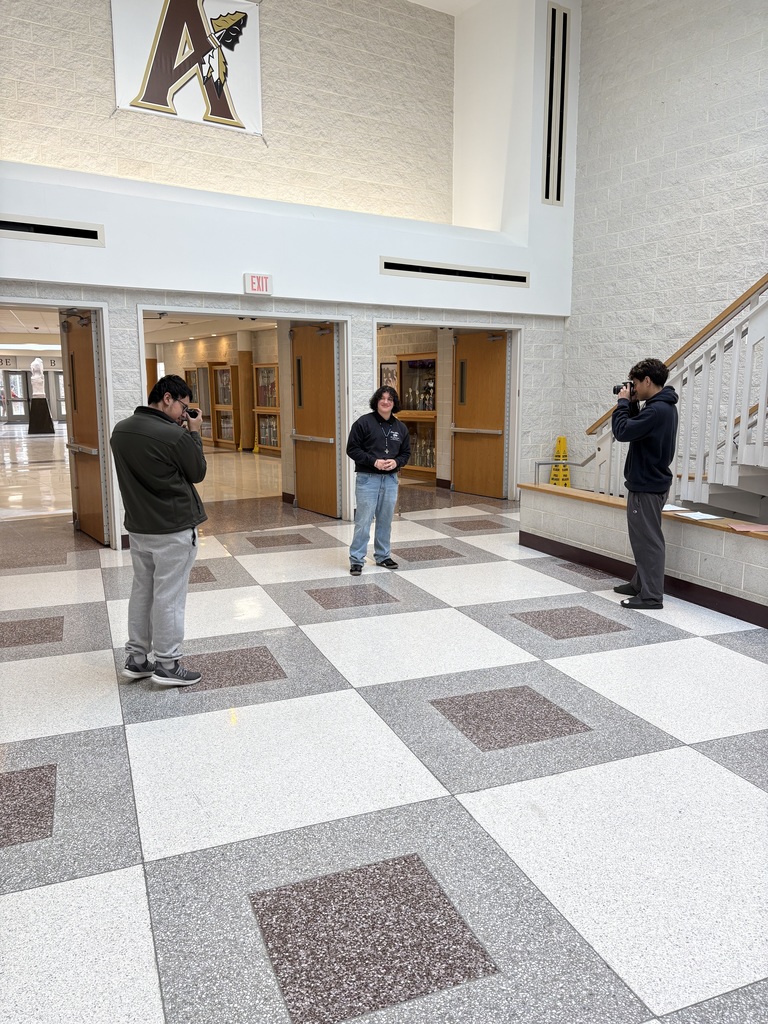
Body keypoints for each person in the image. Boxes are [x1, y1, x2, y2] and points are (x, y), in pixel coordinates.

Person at [110, 374, 207, 685]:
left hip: (139, 528)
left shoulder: (121, 430)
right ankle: (167, 663)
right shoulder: (175, 436)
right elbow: (197, 471)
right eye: (183, 407)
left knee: (143, 590)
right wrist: (194, 433)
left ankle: (137, 658)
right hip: (174, 528)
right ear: (167, 398)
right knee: (170, 595)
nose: (185, 414)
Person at [611, 357, 678, 609]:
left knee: (648, 541)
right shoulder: (663, 406)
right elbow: (637, 429)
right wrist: (632, 404)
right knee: (643, 537)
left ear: (648, 380)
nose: (633, 389)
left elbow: (623, 432)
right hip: (653, 481)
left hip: (646, 485)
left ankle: (651, 596)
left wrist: (621, 404)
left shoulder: (656, 410)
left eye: (636, 384)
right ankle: (640, 584)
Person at [346, 385, 411, 575]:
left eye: (390, 399)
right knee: (363, 520)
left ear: (394, 404)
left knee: (385, 519)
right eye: (382, 398)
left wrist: (396, 462)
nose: (386, 402)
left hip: (390, 480)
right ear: (376, 401)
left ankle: (383, 556)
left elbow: (406, 453)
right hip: (368, 479)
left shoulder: (400, 427)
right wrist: (373, 462)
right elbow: (352, 449)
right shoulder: (363, 423)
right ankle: (357, 559)